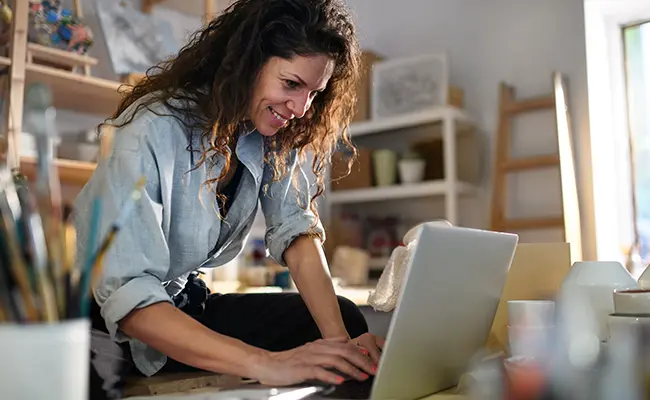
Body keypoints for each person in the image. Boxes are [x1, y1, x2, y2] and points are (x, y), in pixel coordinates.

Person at [74, 0, 385, 388]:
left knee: (347, 325)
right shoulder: (151, 128)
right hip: (107, 325)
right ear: (247, 63)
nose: (302, 108)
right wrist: (265, 363)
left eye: (314, 93)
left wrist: (339, 346)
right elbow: (130, 300)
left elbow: (296, 231)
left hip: (184, 306)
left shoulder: (268, 130)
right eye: (291, 84)